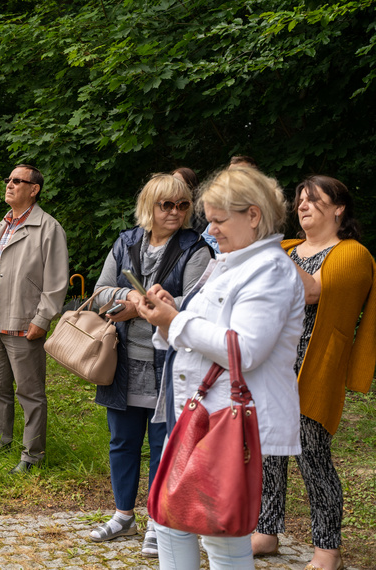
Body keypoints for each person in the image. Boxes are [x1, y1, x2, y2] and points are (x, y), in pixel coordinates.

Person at [136, 167, 305, 570]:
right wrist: (169, 315)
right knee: (173, 520)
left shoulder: (270, 270)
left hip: (230, 420)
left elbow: (244, 350)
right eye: (208, 219)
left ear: (253, 215)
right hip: (203, 413)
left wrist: (174, 322)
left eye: (217, 220)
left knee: (217, 532)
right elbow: (206, 329)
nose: (210, 230)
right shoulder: (231, 262)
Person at [251, 175, 376, 570]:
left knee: (312, 457)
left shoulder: (352, 254)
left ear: (339, 208)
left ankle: (328, 549)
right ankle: (266, 532)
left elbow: (310, 292)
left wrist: (268, 251)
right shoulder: (287, 248)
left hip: (314, 371)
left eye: (313, 200)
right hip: (271, 370)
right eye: (299, 200)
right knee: (268, 453)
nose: (302, 205)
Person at [89, 173, 212, 557]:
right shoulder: (127, 242)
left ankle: (160, 522)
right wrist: (129, 296)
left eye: (183, 205)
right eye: (167, 205)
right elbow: (99, 293)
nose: (175, 212)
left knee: (164, 446)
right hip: (123, 360)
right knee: (122, 441)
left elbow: (191, 306)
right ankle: (123, 514)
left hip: (170, 363)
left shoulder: (197, 248)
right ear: (150, 207)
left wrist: (134, 310)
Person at [0, 164, 69, 473]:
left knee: (30, 392)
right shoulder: (4, 224)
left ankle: (32, 456)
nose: (10, 184)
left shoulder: (48, 227)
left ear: (34, 189)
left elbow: (56, 282)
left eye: (18, 181)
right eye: (9, 180)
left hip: (23, 321)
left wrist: (42, 319)